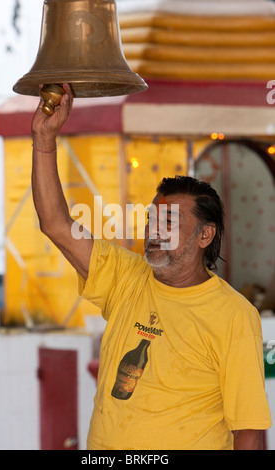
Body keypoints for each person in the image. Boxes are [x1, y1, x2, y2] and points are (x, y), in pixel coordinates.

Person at [31, 84, 272, 450]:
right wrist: (43, 140)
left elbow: (249, 433)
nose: (154, 233)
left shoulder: (235, 316)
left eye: (170, 223)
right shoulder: (126, 276)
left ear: (205, 235)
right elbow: (56, 225)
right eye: (151, 220)